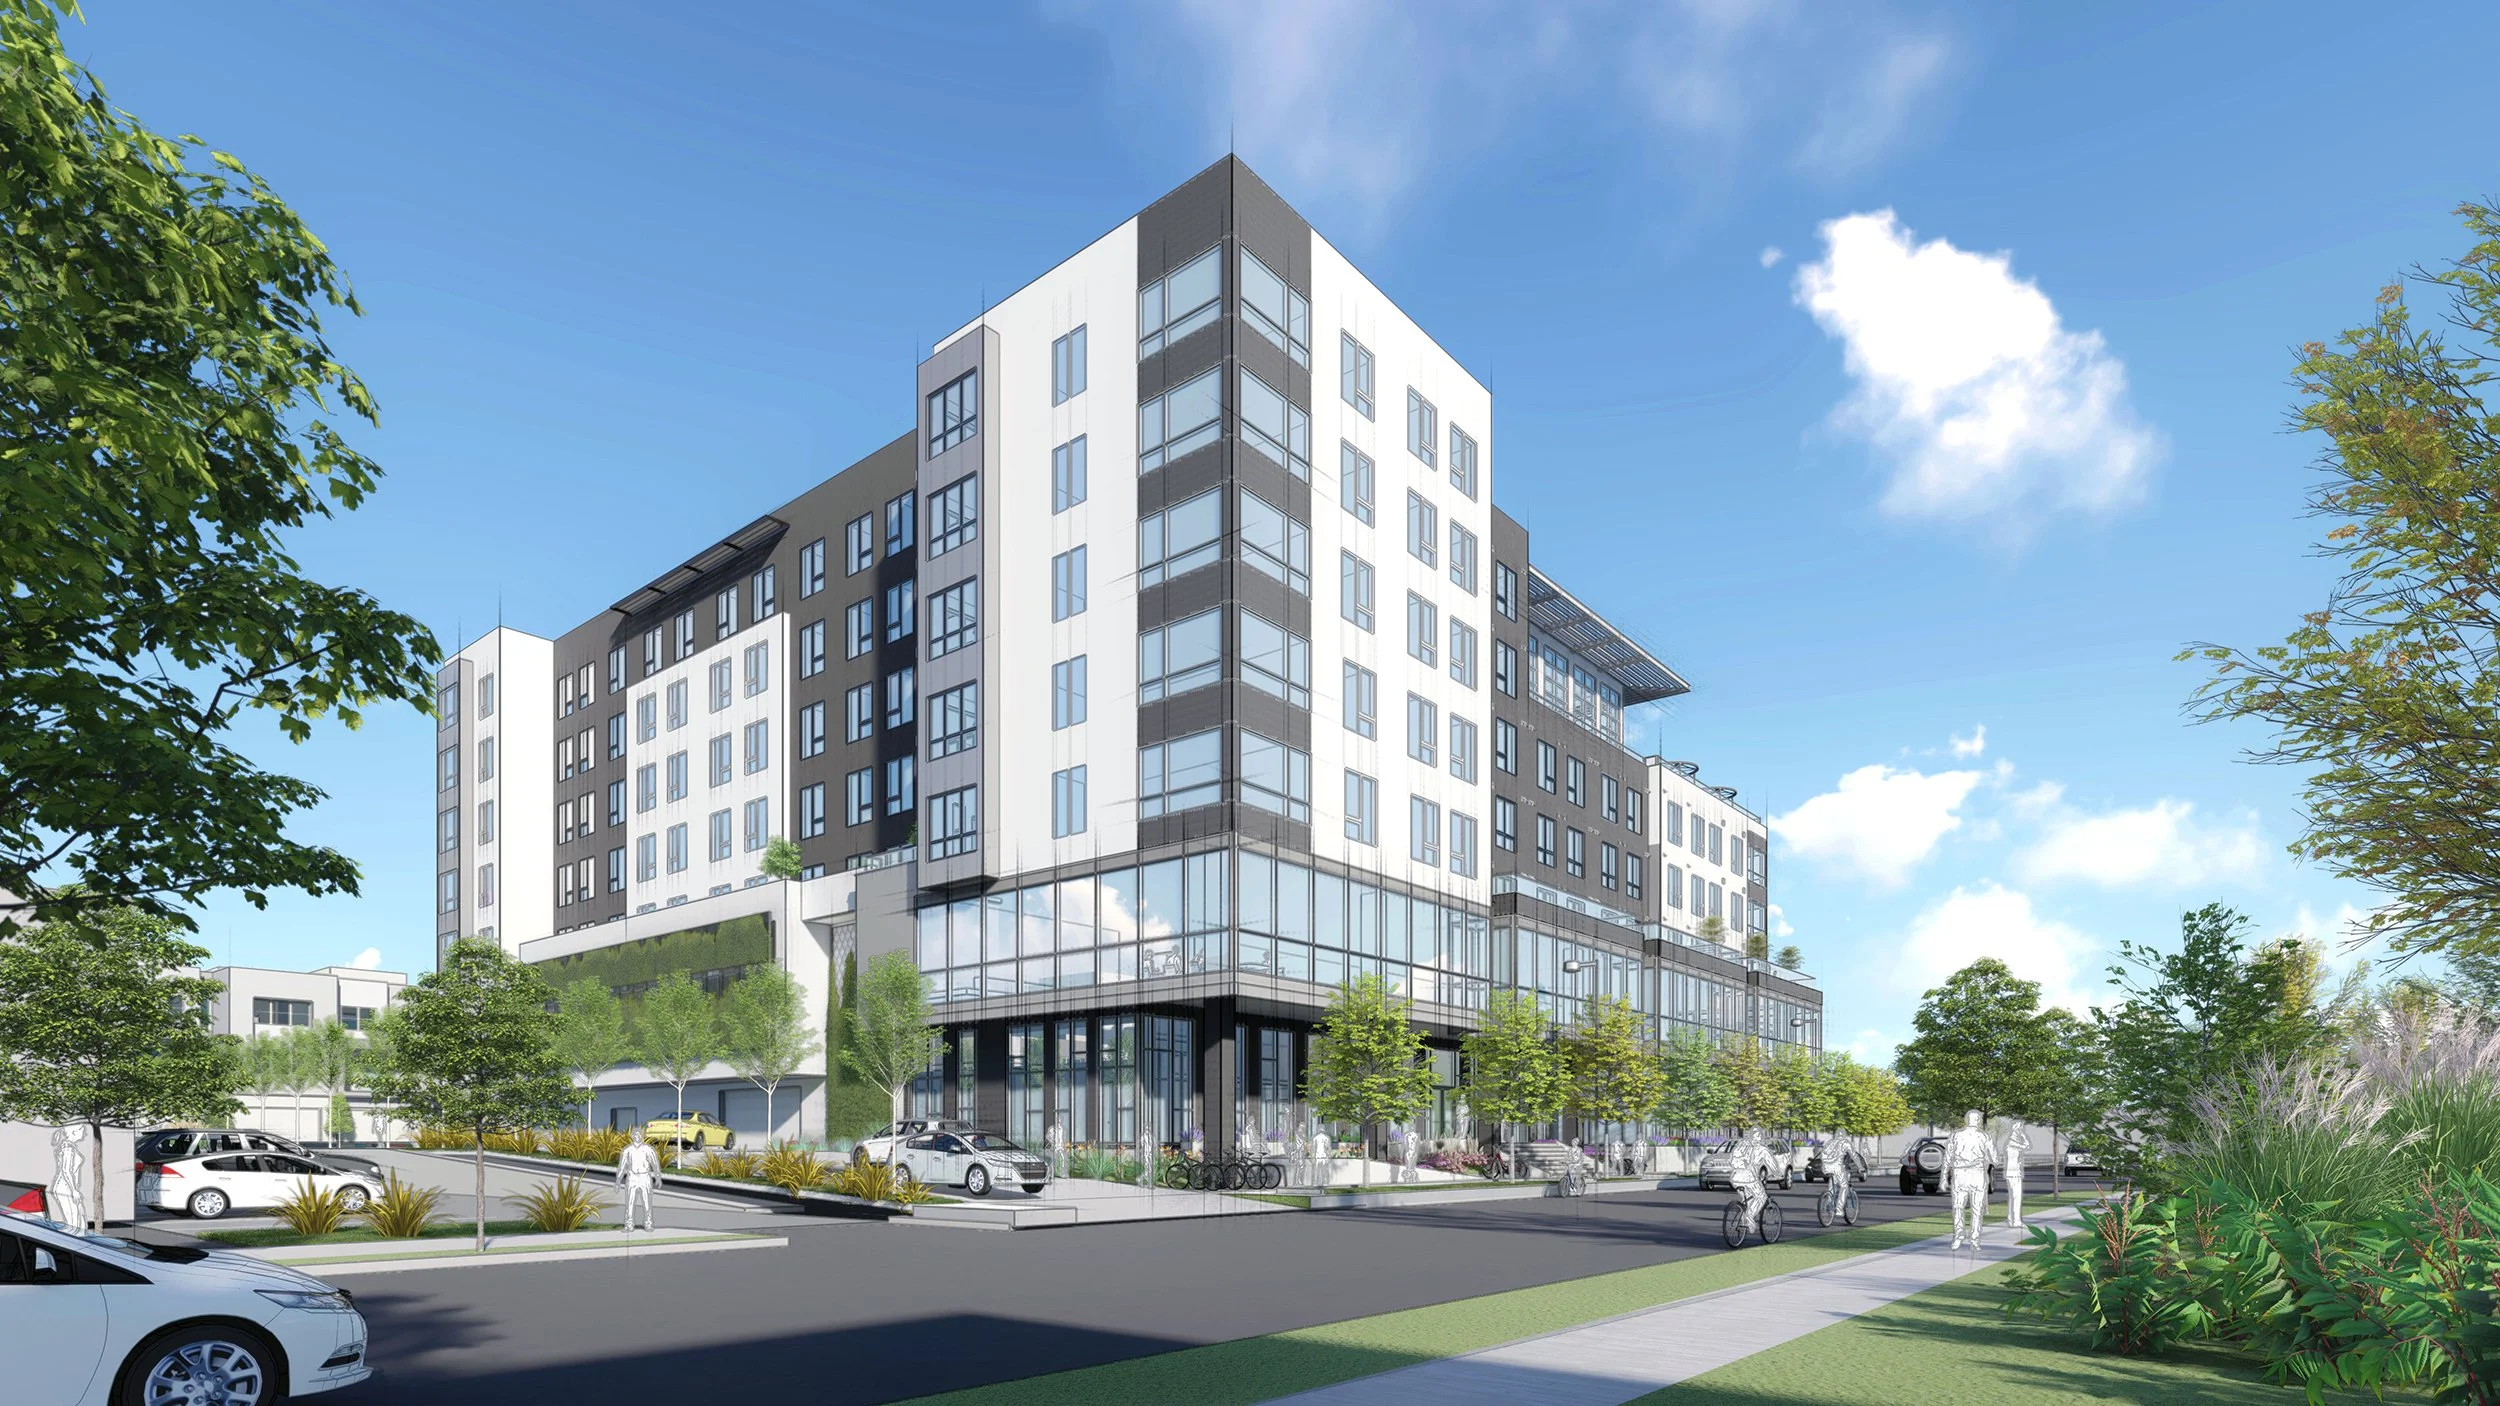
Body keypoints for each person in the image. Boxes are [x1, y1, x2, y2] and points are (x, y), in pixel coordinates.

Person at [1943, 1110, 1998, 1250]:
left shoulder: (1956, 1135)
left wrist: (1943, 1177)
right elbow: (1995, 1159)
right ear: (1978, 1121)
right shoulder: (1984, 1136)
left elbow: (1948, 1157)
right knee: (1976, 1209)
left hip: (1961, 1173)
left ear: (1967, 1120)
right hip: (1975, 1174)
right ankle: (1974, 1240)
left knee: (1958, 1207)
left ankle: (1960, 1236)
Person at [1727, 1125, 1777, 1234]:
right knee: (1762, 1196)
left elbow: (1732, 1161)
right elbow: (1773, 1166)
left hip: (1736, 1178)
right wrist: (1777, 1174)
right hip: (1749, 1178)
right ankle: (1749, 1216)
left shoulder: (1742, 1144)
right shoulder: (1763, 1150)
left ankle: (1743, 1221)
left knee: (1747, 1199)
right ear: (1759, 1137)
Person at [615, 1127, 663, 1232]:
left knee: (647, 1203)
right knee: (630, 1203)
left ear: (642, 1136)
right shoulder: (627, 1150)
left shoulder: (648, 1149)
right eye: (635, 1134)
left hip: (645, 1177)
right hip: (632, 1177)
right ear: (632, 1136)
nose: (638, 1136)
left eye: (640, 1134)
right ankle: (629, 1225)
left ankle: (648, 1224)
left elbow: (655, 1164)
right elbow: (622, 1167)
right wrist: (618, 1181)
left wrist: (658, 1177)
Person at [47, 1127, 88, 1231]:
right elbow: (66, 1170)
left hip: (68, 1186)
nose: (85, 1133)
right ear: (74, 1132)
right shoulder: (68, 1148)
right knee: (74, 1225)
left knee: (79, 1224)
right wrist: (74, 1190)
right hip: (65, 1187)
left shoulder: (69, 1147)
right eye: (82, 1130)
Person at [2002, 1121, 2033, 1230]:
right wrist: (2023, 1136)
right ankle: (2016, 1221)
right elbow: (2027, 1146)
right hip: (2013, 1173)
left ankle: (2012, 1219)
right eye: (2020, 1129)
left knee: (2014, 1197)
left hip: (2015, 1172)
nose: (2021, 1130)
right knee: (2016, 1196)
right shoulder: (2012, 1142)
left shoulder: (2012, 1142)